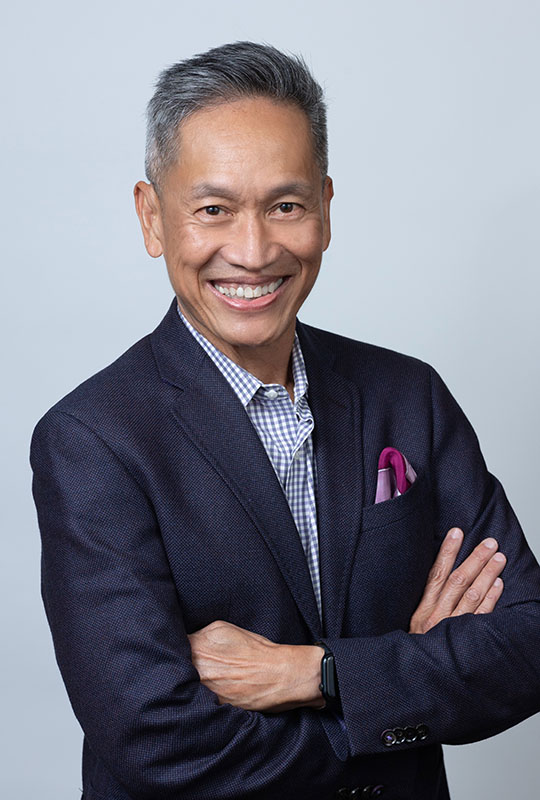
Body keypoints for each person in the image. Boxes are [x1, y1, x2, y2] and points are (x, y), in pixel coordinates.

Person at [30, 42, 540, 800]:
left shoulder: (409, 396)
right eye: (213, 209)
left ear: (326, 211)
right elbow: (157, 743)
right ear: (152, 218)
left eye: (286, 205)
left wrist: (319, 672)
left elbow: (528, 646)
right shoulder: (91, 440)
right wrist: (402, 690)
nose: (253, 249)